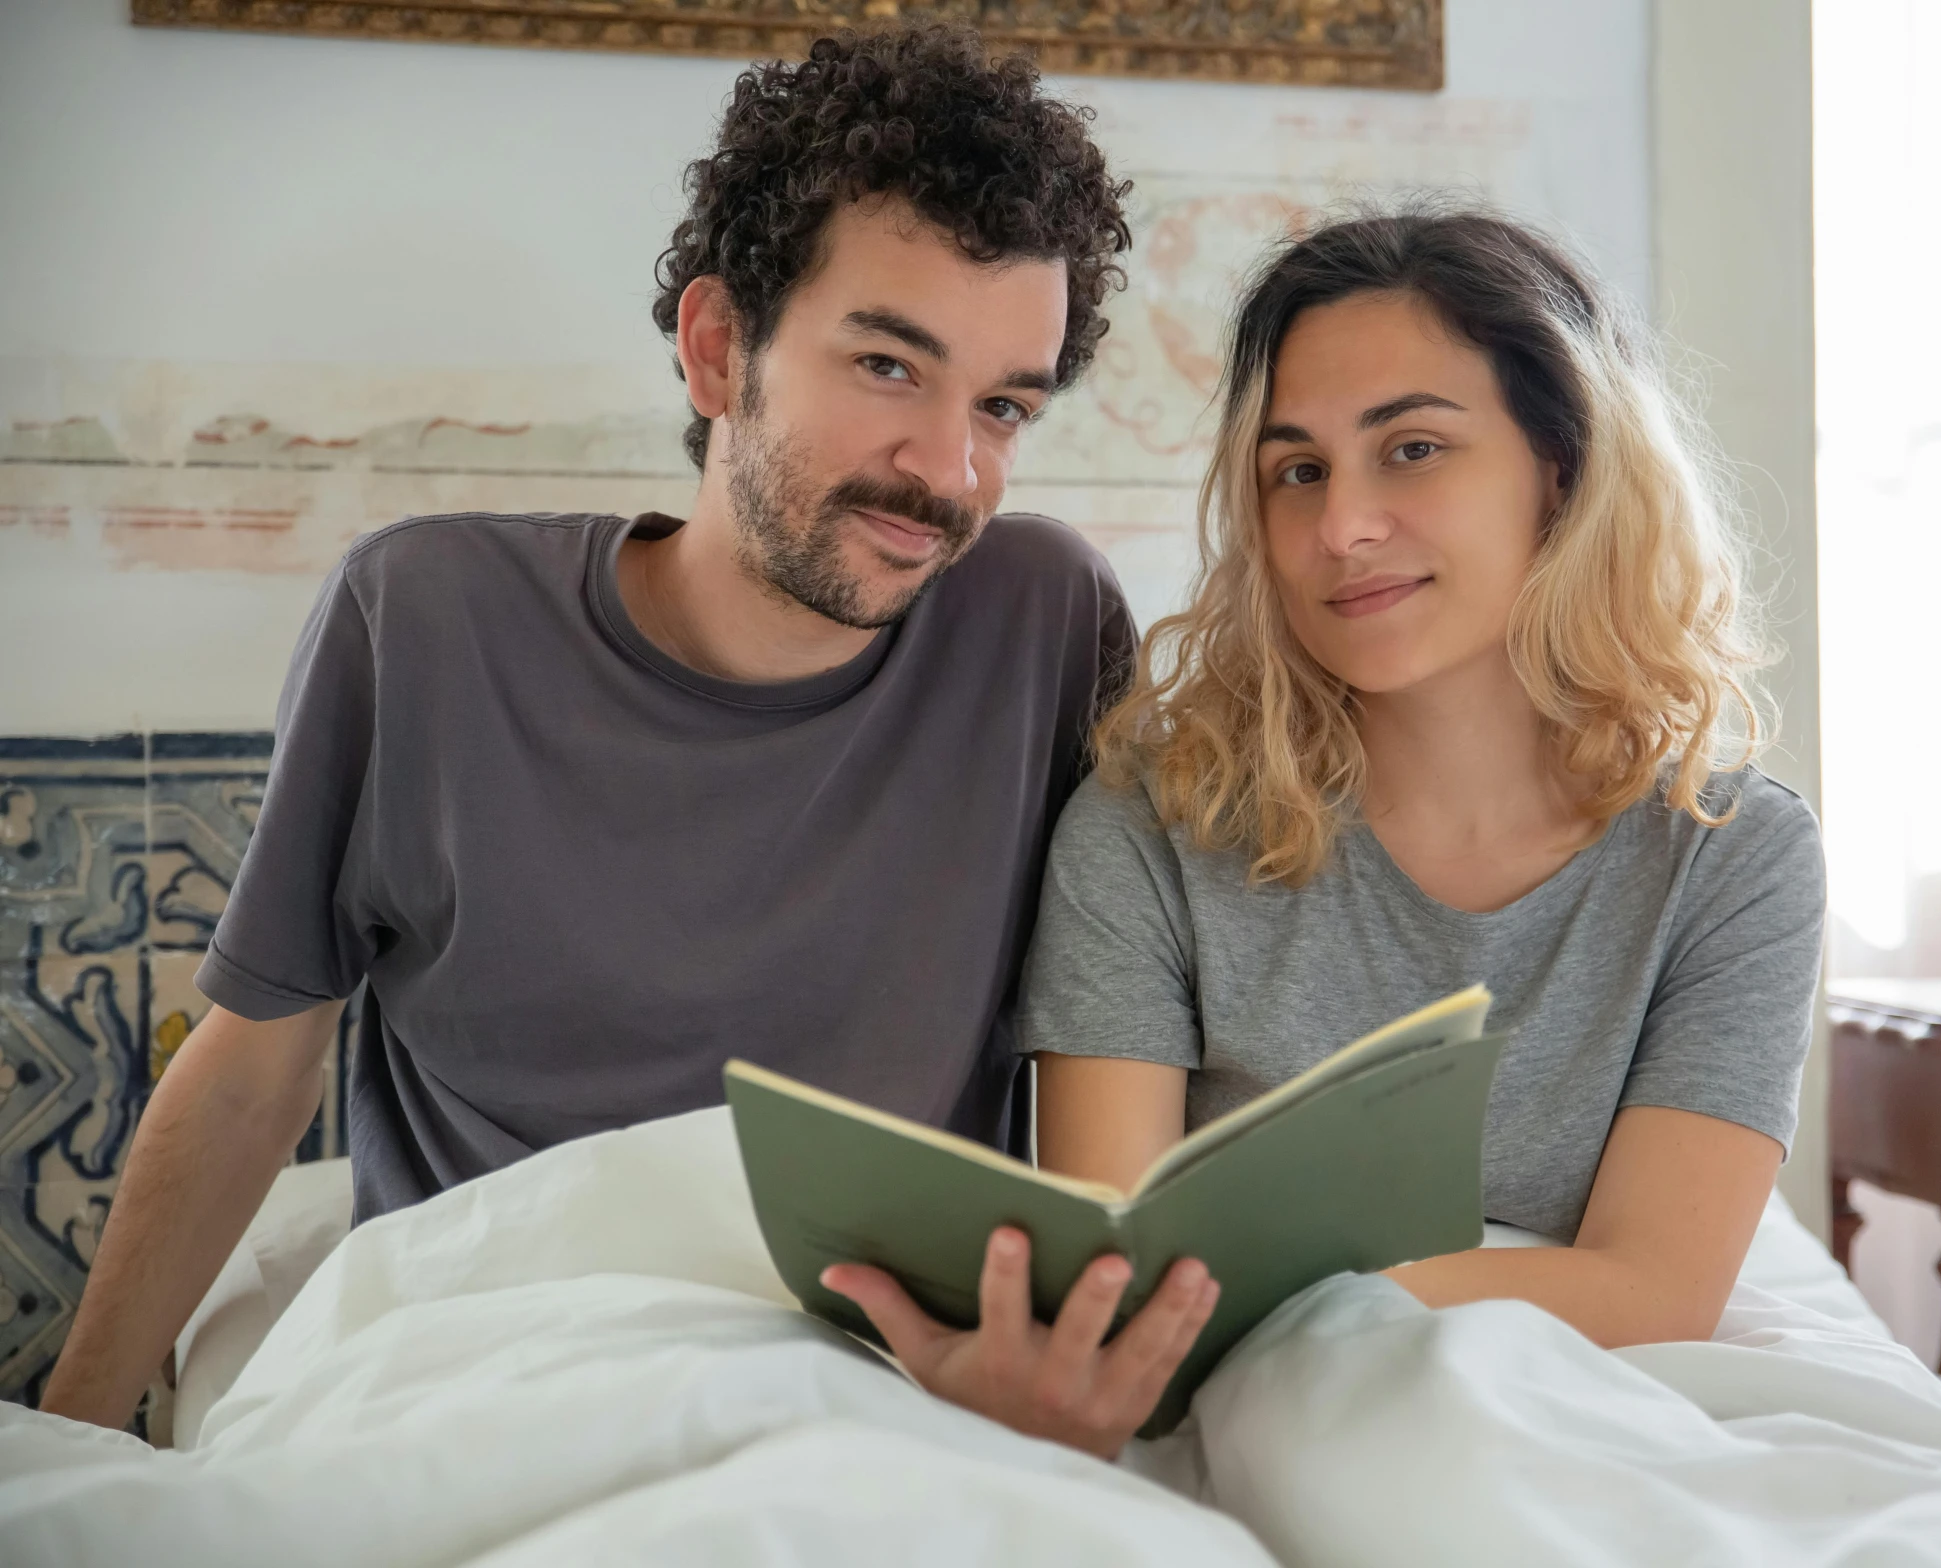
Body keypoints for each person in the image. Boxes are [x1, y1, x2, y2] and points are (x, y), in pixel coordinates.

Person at [42, 25, 1215, 1450]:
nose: (949, 472)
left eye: (1004, 406)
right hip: (482, 1378)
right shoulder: (422, 619)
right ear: (719, 348)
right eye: (890, 368)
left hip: (868, 1412)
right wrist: (72, 1440)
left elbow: (1141, 1023)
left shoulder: (1038, 624)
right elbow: (250, 1071)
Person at [972, 208, 1825, 1442]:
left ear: (1565, 468)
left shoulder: (1733, 850)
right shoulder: (1148, 828)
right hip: (1250, 1418)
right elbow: (1116, 1292)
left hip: (1580, 1414)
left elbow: (1658, 1288)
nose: (1342, 528)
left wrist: (1302, 1307)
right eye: (1297, 470)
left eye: (1412, 449)